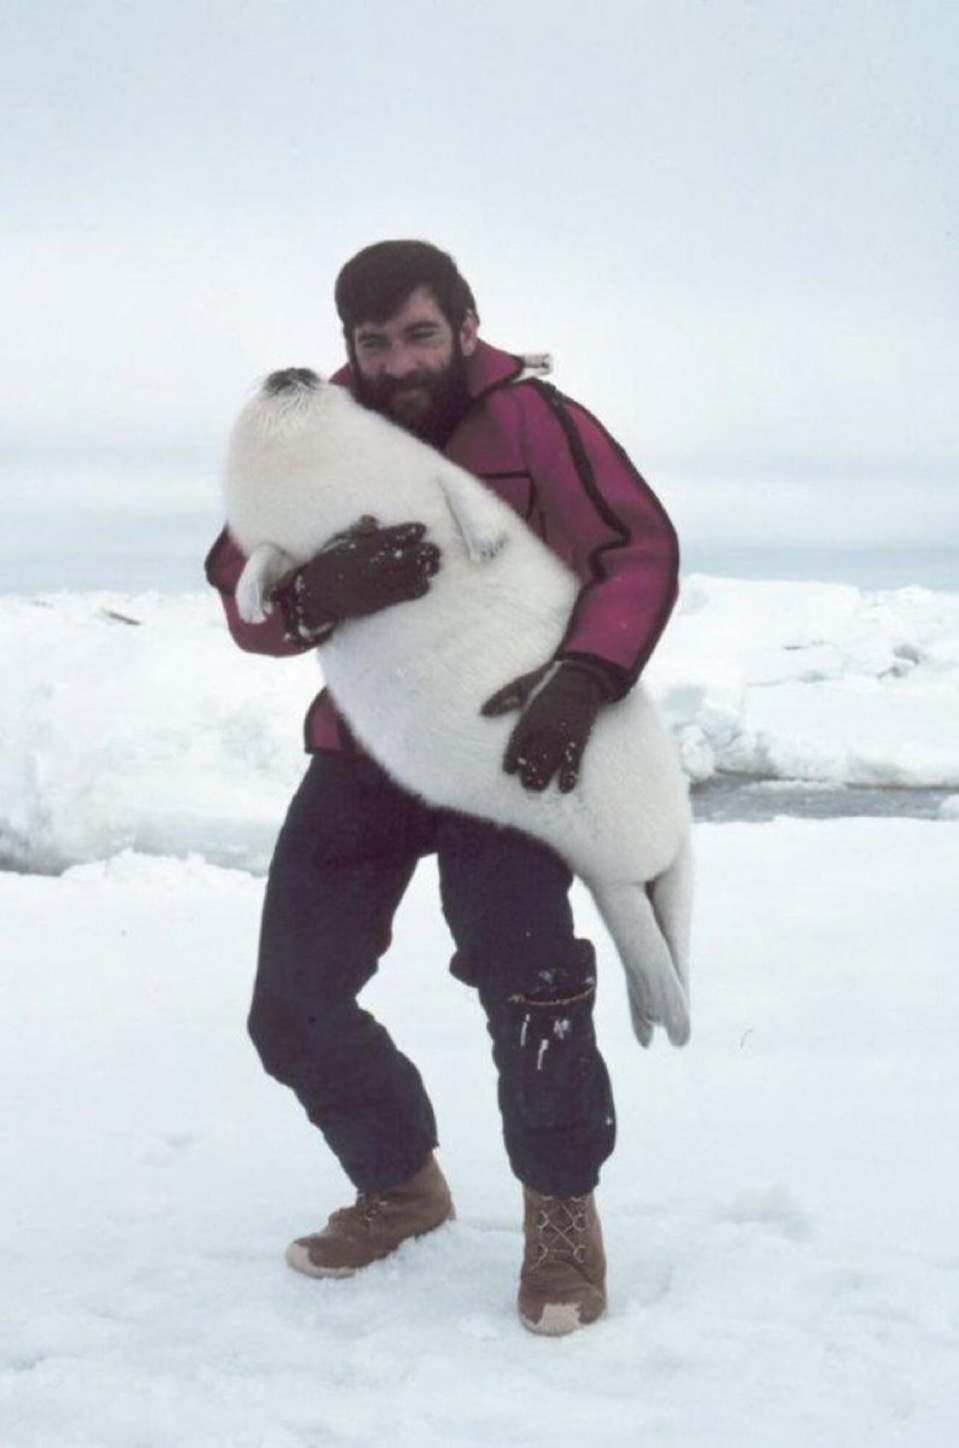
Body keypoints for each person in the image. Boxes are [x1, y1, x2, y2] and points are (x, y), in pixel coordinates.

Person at [206, 240, 680, 1336]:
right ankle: (400, 1185)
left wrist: (584, 678)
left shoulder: (534, 421)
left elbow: (635, 551)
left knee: (531, 982)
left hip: (503, 750)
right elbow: (239, 580)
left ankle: (561, 1211)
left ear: (466, 325)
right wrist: (313, 595)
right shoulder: (312, 426)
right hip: (365, 750)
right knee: (291, 1006)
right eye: (374, 343)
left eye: (420, 335)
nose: (399, 362)